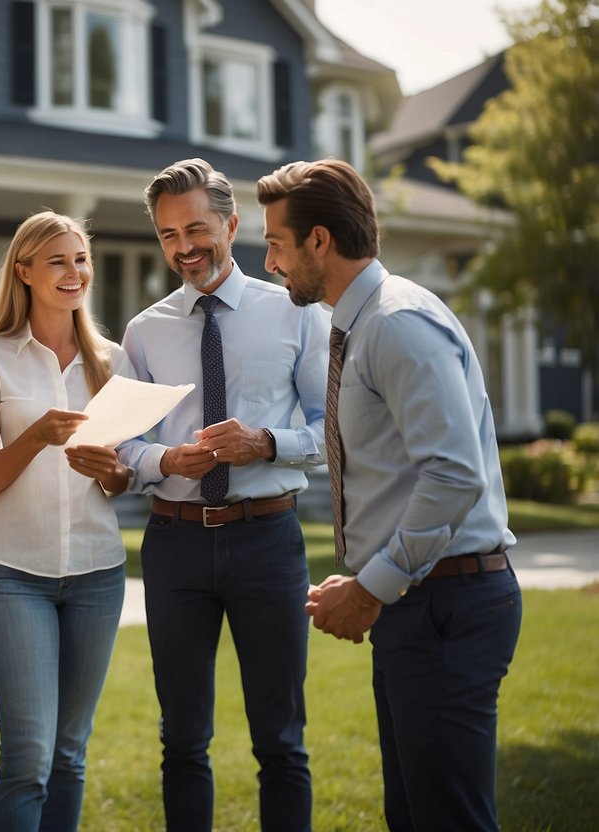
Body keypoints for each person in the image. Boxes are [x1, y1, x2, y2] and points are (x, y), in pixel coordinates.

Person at [256, 158, 522, 831]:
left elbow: (453, 475)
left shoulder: (396, 323)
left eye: (276, 244)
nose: (269, 264)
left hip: (447, 606)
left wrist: (372, 587)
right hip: (420, 603)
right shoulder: (362, 321)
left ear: (319, 241)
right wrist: (372, 584)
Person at [117, 158, 330, 831]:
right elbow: (119, 446)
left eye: (196, 228)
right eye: (167, 234)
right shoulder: (144, 331)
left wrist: (266, 443)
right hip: (174, 545)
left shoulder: (294, 314)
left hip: (266, 540)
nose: (184, 247)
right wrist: (162, 458)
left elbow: (338, 430)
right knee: (181, 738)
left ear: (232, 224)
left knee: (280, 740)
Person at [0, 210, 134, 831]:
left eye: (80, 259)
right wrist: (34, 437)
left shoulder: (112, 361)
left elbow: (122, 480)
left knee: (69, 752)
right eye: (57, 261)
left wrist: (108, 471)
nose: (73, 272)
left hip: (97, 574)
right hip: (14, 575)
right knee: (28, 754)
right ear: (24, 271)